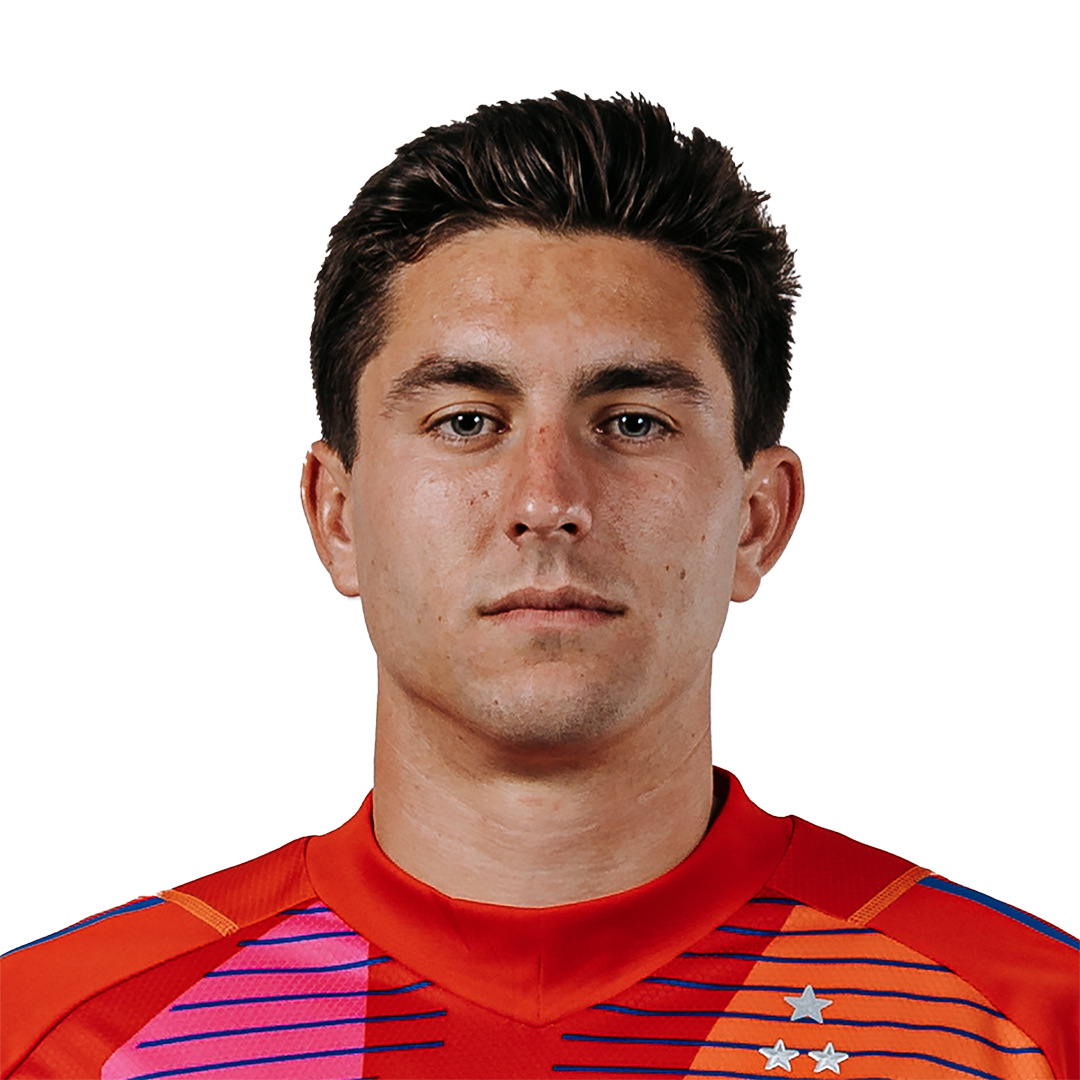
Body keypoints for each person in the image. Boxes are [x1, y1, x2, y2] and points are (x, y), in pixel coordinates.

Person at [2, 90, 1076, 1079]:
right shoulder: (63, 1041)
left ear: (758, 520)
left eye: (634, 422)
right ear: (337, 515)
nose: (547, 500)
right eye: (467, 420)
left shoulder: (1029, 1029)